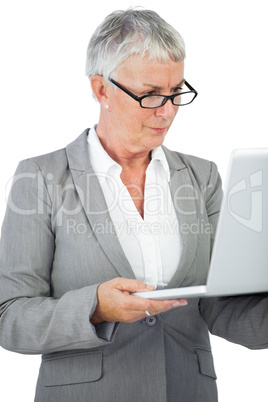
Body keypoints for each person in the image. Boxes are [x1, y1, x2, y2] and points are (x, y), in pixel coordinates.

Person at [0, 8, 267, 402]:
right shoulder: (41, 177)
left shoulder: (202, 176)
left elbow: (218, 307)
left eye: (177, 91)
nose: (168, 110)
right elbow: (10, 316)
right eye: (150, 94)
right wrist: (95, 308)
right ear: (101, 89)